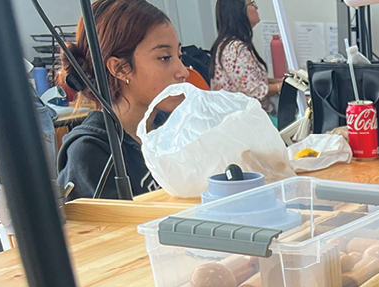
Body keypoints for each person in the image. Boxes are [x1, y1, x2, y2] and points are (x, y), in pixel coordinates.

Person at [56, 0, 189, 200]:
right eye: (164, 57)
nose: (183, 72)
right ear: (119, 68)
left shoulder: (175, 128)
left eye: (179, 55)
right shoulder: (91, 154)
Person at [210, 0, 280, 115]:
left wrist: (280, 81)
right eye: (252, 4)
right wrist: (279, 86)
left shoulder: (231, 45)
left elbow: (251, 80)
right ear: (239, 11)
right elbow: (253, 91)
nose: (256, 8)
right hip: (243, 120)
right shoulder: (235, 49)